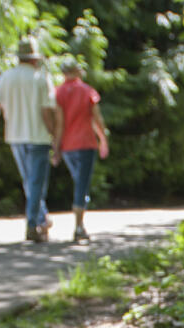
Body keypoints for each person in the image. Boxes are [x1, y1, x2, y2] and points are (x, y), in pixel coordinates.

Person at [0, 37, 59, 242]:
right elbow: (46, 112)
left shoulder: (5, 77)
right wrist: (55, 136)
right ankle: (33, 224)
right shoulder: (41, 79)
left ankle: (41, 219)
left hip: (15, 136)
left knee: (29, 181)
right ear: (34, 59)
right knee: (36, 183)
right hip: (38, 137)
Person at [53, 57, 109, 242]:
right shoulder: (87, 91)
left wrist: (56, 147)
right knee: (81, 185)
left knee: (79, 182)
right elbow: (97, 119)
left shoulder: (58, 92)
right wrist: (103, 140)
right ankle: (78, 226)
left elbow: (59, 123)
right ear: (77, 71)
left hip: (68, 146)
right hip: (85, 143)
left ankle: (80, 223)